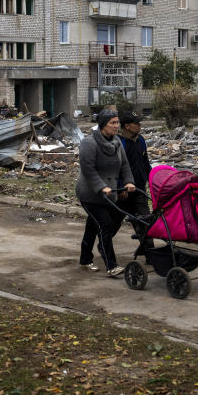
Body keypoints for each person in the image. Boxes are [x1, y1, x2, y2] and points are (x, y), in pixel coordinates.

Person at [75, 109, 136, 277]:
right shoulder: (89, 143)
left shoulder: (116, 142)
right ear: (103, 125)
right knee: (105, 224)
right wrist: (101, 186)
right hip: (89, 193)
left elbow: (124, 166)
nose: (117, 126)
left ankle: (85, 258)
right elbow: (88, 170)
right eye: (113, 123)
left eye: (117, 122)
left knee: (92, 226)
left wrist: (129, 182)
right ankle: (112, 265)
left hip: (109, 193)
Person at [119, 112, 154, 255]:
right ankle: (104, 247)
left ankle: (151, 254)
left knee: (145, 221)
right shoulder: (119, 142)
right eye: (137, 124)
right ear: (127, 126)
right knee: (112, 223)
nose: (140, 126)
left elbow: (145, 163)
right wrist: (121, 186)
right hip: (122, 191)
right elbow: (116, 166)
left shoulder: (140, 140)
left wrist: (152, 180)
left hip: (139, 188)